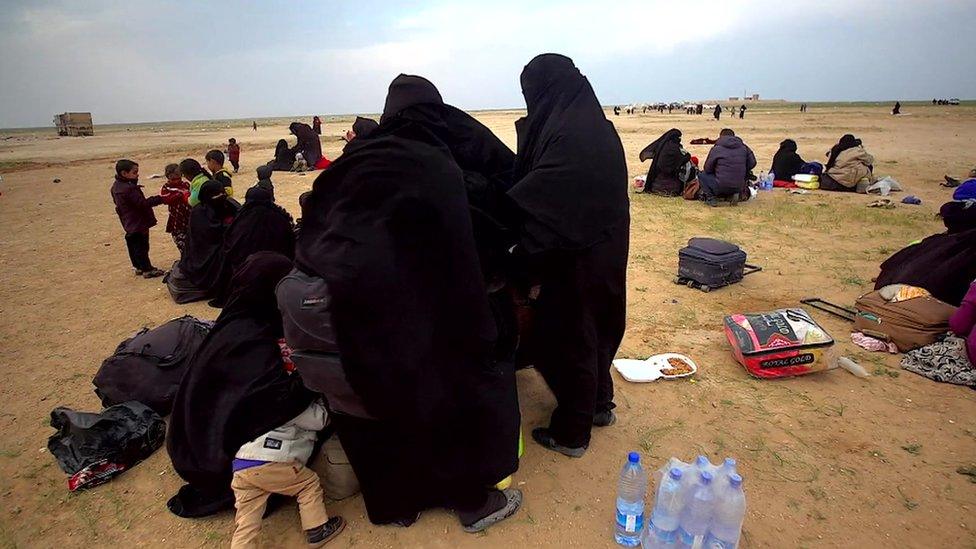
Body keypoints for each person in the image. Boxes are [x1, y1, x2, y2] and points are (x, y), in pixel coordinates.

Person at [293, 74, 523, 532]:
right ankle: (472, 502)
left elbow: (313, 231)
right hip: (429, 310)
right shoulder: (437, 162)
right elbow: (477, 228)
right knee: (450, 397)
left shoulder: (352, 162)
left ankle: (395, 505)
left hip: (354, 311)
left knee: (376, 406)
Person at [506, 54, 629, 458]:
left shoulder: (569, 136)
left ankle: (572, 433)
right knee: (601, 323)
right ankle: (599, 405)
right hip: (607, 245)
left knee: (572, 334)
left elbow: (545, 193)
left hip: (576, 251)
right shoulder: (595, 127)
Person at [167, 252, 316, 519]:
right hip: (215, 464)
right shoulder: (251, 339)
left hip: (191, 447)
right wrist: (314, 379)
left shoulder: (235, 320)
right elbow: (276, 401)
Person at [230, 397, 346, 548]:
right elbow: (321, 420)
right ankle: (317, 529)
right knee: (307, 485)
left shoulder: (260, 402)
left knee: (247, 516)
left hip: (242, 465)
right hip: (270, 460)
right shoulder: (290, 403)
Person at [209, 186, 295, 308]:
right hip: (278, 272)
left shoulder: (242, 219)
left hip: (247, 274)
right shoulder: (280, 217)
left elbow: (231, 246)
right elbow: (290, 244)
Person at [164, 180, 239, 303]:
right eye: (216, 196)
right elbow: (210, 234)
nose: (220, 198)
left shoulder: (228, 205)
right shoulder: (199, 212)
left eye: (222, 194)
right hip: (204, 255)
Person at [874, 227, 976, 307]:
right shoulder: (964, 255)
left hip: (882, 294)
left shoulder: (935, 241)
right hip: (915, 308)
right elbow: (958, 325)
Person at [110, 159, 165, 278]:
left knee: (133, 245)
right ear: (124, 173)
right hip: (138, 222)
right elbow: (142, 204)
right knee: (142, 247)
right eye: (134, 172)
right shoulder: (129, 189)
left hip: (128, 222)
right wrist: (160, 199)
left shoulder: (116, 187)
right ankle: (147, 269)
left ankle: (138, 266)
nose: (137, 174)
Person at [698, 129, 756, 206]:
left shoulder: (716, 149)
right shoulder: (744, 147)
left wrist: (717, 170)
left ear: (720, 137)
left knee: (701, 175)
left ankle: (711, 198)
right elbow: (753, 163)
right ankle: (734, 193)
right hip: (739, 185)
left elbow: (707, 169)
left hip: (720, 185)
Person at [639, 128, 691, 196]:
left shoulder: (662, 147)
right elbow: (684, 158)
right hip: (671, 188)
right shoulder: (674, 149)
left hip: (655, 186)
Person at [160, 163, 192, 254]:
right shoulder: (166, 188)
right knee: (181, 243)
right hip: (176, 219)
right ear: (168, 177)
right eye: (173, 179)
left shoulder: (186, 185)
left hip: (188, 216)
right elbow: (164, 199)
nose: (177, 181)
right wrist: (178, 195)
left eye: (179, 178)